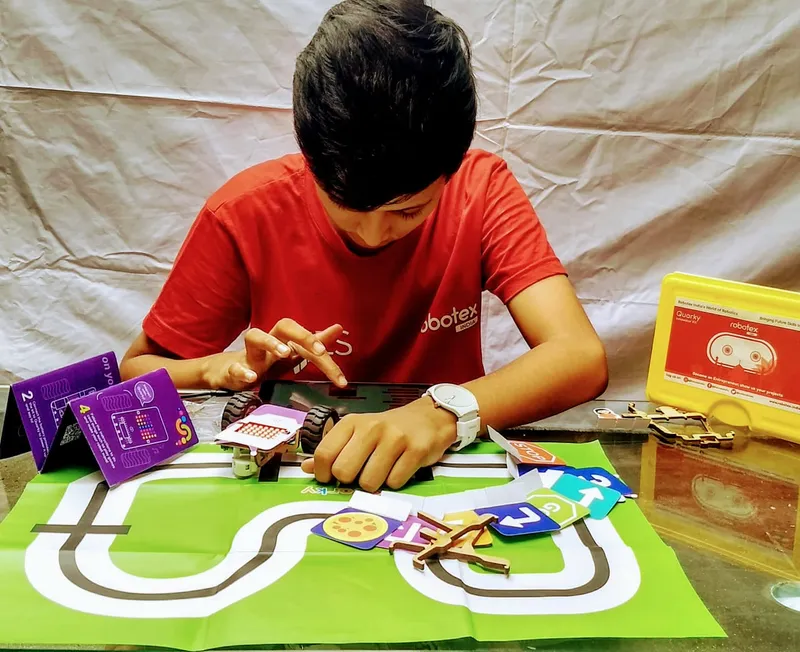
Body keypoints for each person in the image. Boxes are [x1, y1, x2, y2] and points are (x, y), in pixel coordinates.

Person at [120, 0, 608, 492]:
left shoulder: (479, 191)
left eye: (408, 210)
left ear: (452, 168)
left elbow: (578, 356)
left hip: (438, 477)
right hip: (292, 475)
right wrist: (223, 370)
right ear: (311, 157)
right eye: (345, 206)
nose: (374, 235)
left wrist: (441, 415)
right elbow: (136, 371)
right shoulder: (245, 213)